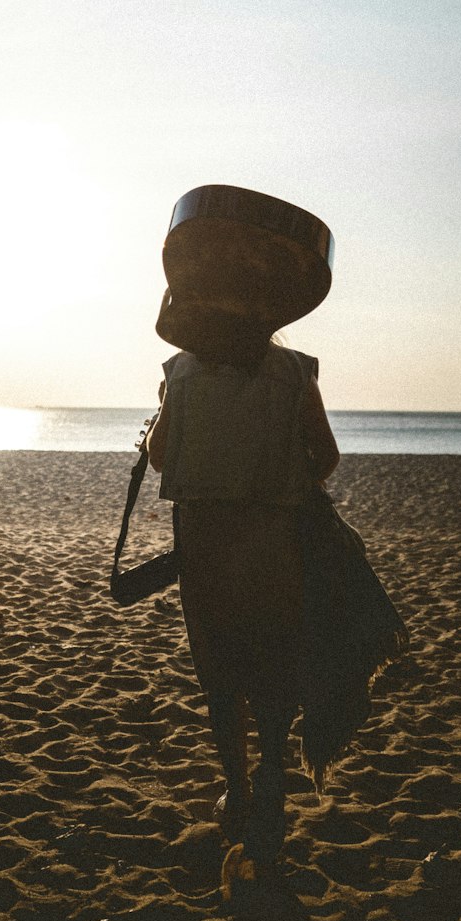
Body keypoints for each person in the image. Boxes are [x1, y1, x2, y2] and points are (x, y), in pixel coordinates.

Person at [146, 307, 405, 878]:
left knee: (220, 674)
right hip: (274, 543)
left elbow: (161, 456)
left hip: (207, 546)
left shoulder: (182, 371)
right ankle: (270, 782)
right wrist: (279, 475)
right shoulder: (293, 371)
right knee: (271, 666)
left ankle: (236, 792)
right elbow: (327, 457)